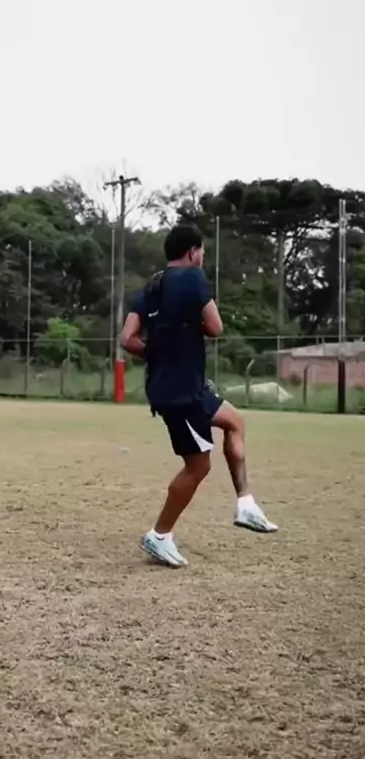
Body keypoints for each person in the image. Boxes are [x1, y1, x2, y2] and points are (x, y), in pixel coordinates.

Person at [120, 223, 278, 568]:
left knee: (234, 422)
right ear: (192, 252)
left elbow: (127, 338)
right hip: (181, 393)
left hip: (179, 385)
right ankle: (159, 535)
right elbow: (216, 327)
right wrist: (187, 334)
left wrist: (158, 353)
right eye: (202, 251)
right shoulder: (193, 278)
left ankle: (246, 505)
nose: (202, 257)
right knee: (198, 466)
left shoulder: (152, 285)